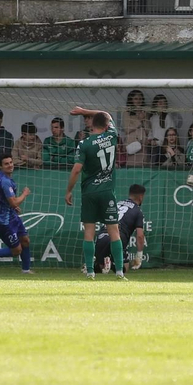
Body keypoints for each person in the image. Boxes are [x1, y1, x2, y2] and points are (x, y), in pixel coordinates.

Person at [64, 105, 126, 279]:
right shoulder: (112, 135)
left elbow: (76, 170)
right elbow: (106, 114)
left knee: (89, 232)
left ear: (91, 126)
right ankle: (120, 272)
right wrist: (85, 111)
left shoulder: (84, 143)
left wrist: (69, 190)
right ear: (107, 126)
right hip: (107, 191)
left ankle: (90, 272)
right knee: (114, 230)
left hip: (89, 192)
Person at [0, 153, 33, 274]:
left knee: (25, 240)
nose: (10, 165)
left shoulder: (2, 177)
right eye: (6, 164)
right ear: (0, 166)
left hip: (11, 215)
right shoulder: (5, 181)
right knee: (16, 251)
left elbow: (4, 200)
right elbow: (14, 202)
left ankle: (26, 270)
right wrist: (24, 194)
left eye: (11, 162)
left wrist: (11, 207)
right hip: (4, 221)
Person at [94, 185, 148, 273]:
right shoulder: (138, 211)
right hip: (118, 238)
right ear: (141, 197)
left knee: (101, 267)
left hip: (101, 237)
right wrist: (139, 255)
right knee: (124, 269)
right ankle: (111, 263)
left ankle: (101, 263)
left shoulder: (117, 204)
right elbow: (140, 236)